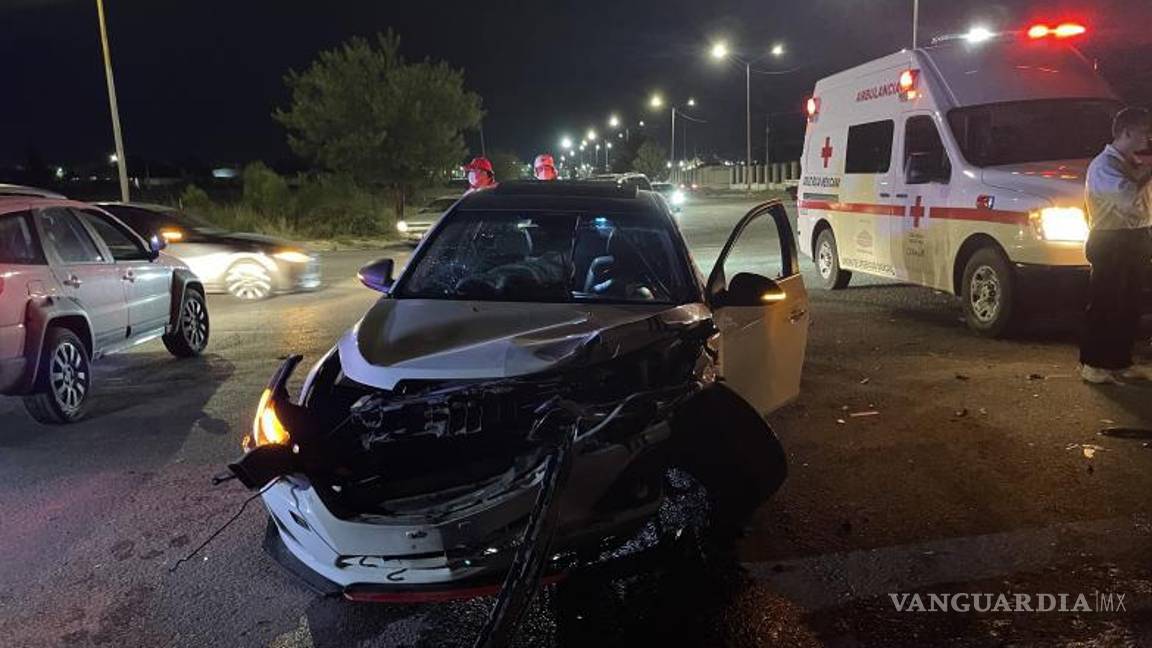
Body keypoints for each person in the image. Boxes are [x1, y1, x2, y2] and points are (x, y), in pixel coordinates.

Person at [1080, 107, 1152, 384]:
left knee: (1130, 303)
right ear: (1127, 132)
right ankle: (1093, 363)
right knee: (1105, 302)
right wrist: (1147, 173)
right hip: (1110, 239)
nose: (1148, 137)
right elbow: (1128, 198)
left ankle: (1120, 361)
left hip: (1135, 237)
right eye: (1145, 131)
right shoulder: (1104, 166)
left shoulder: (1130, 162)